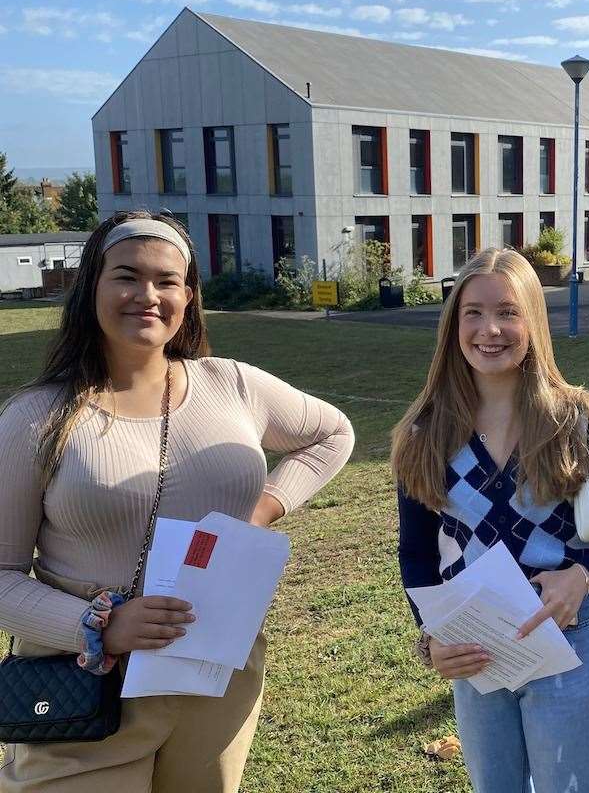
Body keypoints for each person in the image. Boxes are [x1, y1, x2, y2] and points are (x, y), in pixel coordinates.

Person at [0, 211, 354, 792]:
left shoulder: (232, 385)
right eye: (126, 276)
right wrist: (99, 629)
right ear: (91, 286)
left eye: (167, 281)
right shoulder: (36, 418)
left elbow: (333, 434)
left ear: (188, 296)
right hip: (85, 687)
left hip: (216, 672)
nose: (147, 294)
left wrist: (260, 511)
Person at [392, 248, 589, 793]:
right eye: (473, 313)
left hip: (569, 640)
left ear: (533, 320)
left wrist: (583, 576)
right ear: (453, 324)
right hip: (477, 647)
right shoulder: (425, 433)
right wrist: (432, 634)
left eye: (508, 312)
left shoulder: (578, 419)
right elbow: (416, 554)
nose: (490, 329)